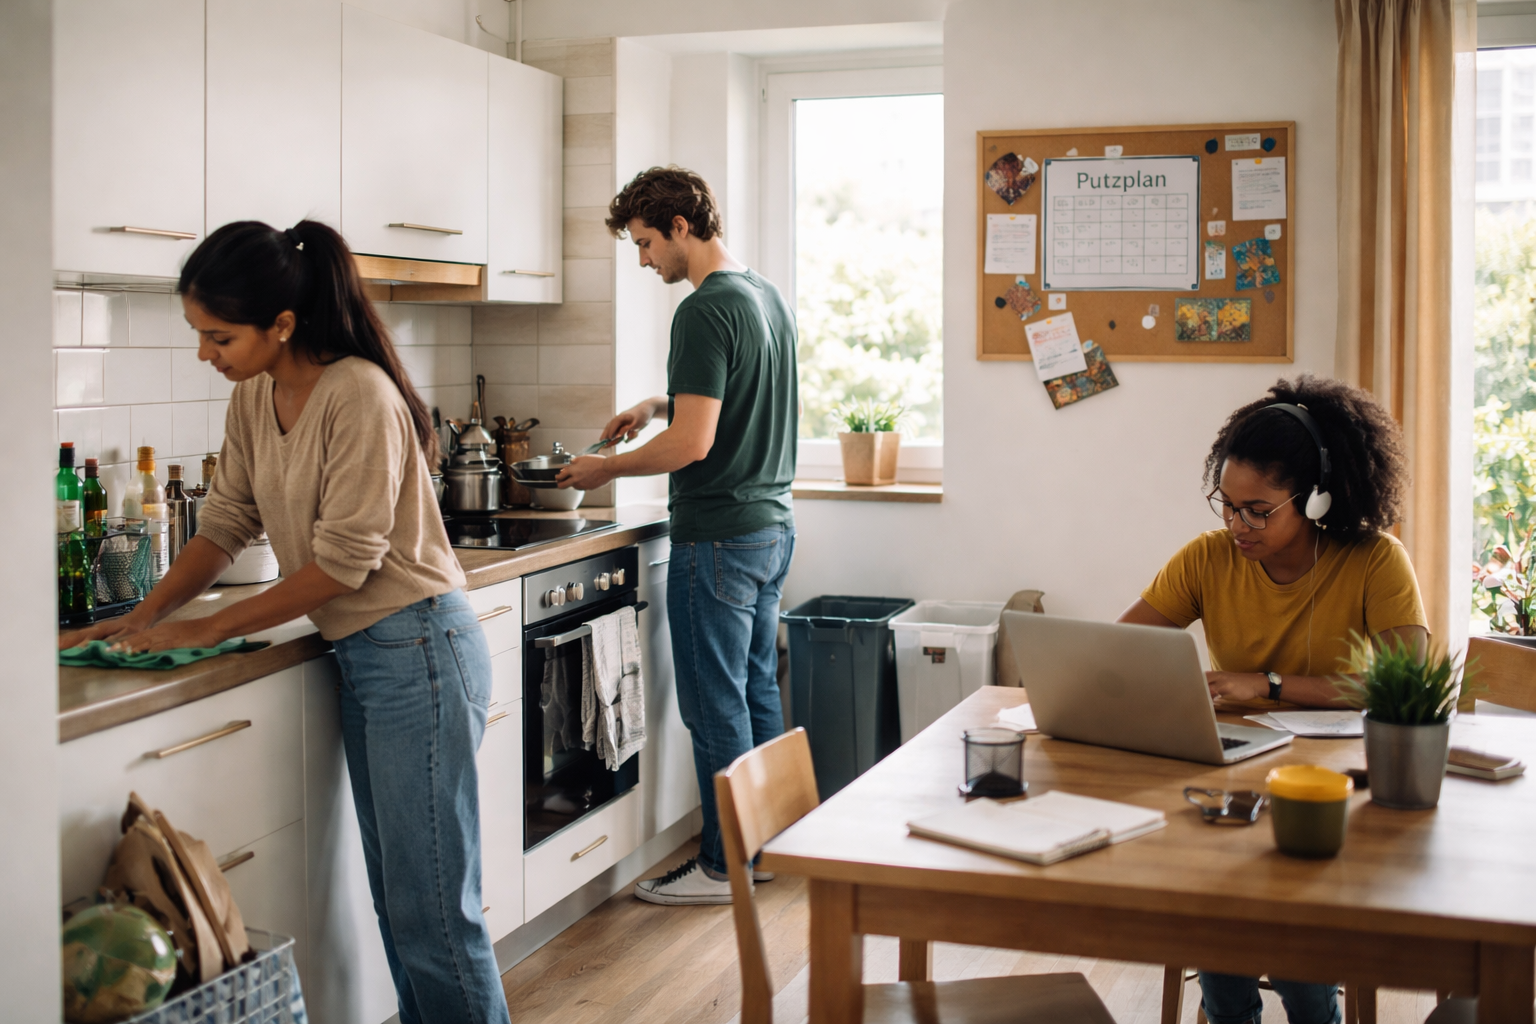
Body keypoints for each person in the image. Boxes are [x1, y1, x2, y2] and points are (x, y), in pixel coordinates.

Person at [59, 221, 510, 1024]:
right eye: (200, 335)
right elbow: (224, 523)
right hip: (369, 654)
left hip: (421, 650)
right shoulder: (254, 396)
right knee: (401, 904)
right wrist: (136, 618)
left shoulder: (360, 394)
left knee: (437, 915)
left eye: (218, 336)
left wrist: (202, 629)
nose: (207, 353)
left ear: (283, 324)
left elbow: (344, 565)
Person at [1119, 375, 1428, 1024]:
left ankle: (1316, 1009)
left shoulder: (1376, 561)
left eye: (1258, 509)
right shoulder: (1208, 558)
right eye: (1226, 504)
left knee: (1279, 896)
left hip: (1338, 784)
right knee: (1220, 886)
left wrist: (1270, 684)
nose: (1237, 524)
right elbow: (1123, 651)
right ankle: (1233, 1011)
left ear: (1315, 500)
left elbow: (1410, 683)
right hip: (1231, 771)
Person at [557, 166, 798, 906]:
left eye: (645, 243)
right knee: (754, 691)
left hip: (719, 534)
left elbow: (695, 446)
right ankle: (767, 850)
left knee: (713, 705)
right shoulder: (762, 294)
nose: (643, 260)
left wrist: (607, 469)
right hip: (770, 528)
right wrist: (658, 404)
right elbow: (732, 398)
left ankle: (726, 868)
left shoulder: (699, 312)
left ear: (681, 228)